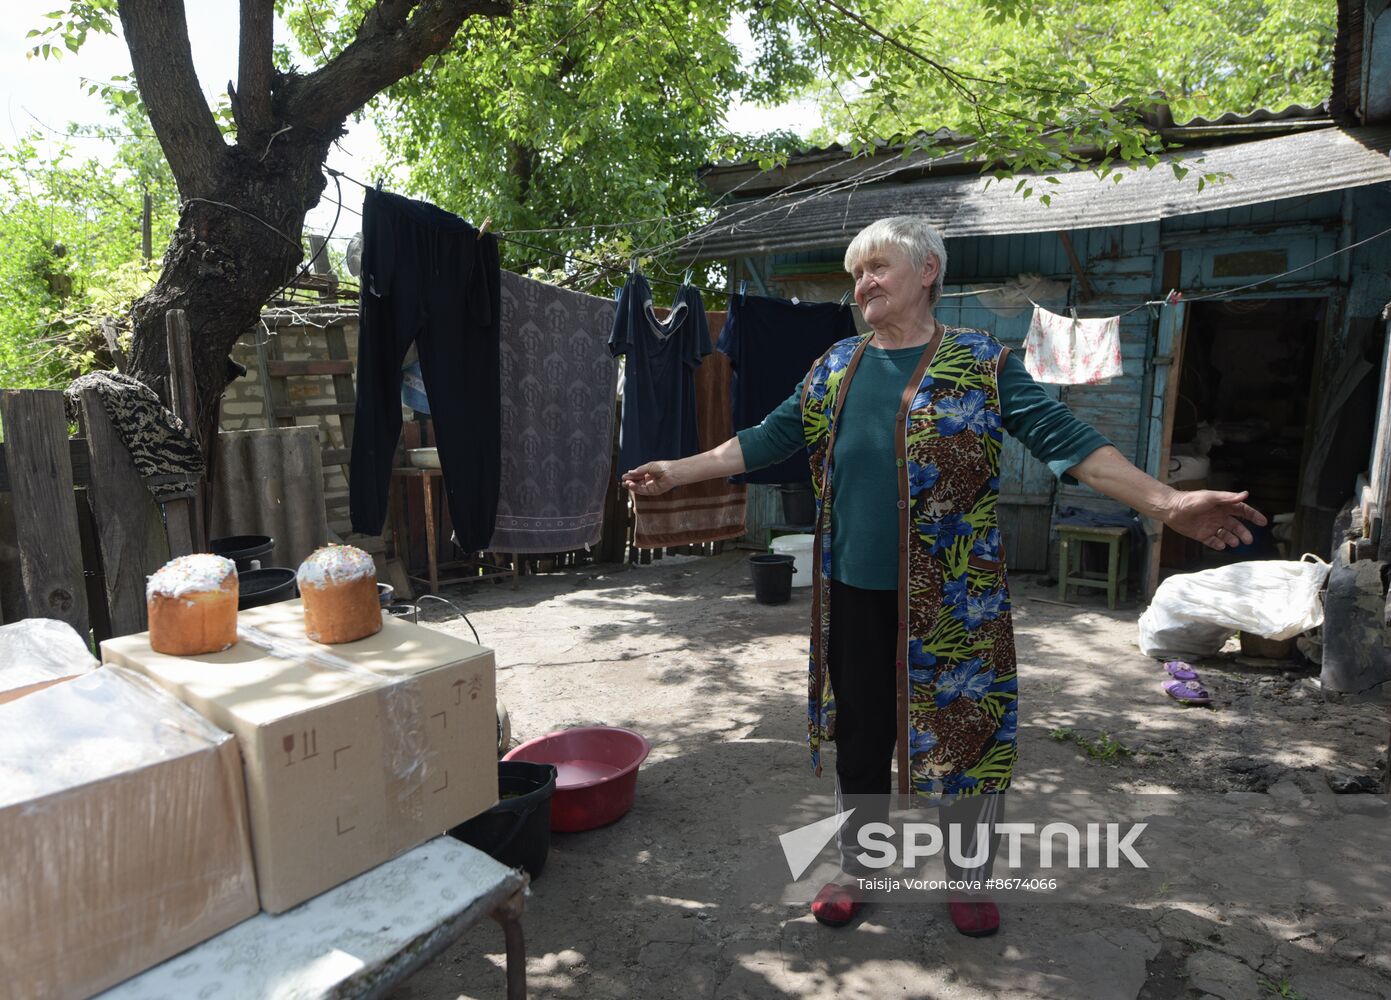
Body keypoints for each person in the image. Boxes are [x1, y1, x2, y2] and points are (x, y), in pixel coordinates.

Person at [622, 216, 1264, 936]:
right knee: (861, 733)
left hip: (957, 595)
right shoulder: (836, 365)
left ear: (927, 270)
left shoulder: (981, 362)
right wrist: (677, 470)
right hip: (854, 593)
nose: (861, 283)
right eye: (855, 272)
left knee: (967, 731)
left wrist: (1168, 501)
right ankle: (860, 865)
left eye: (876, 268)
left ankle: (968, 874)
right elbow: (769, 436)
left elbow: (1068, 443)